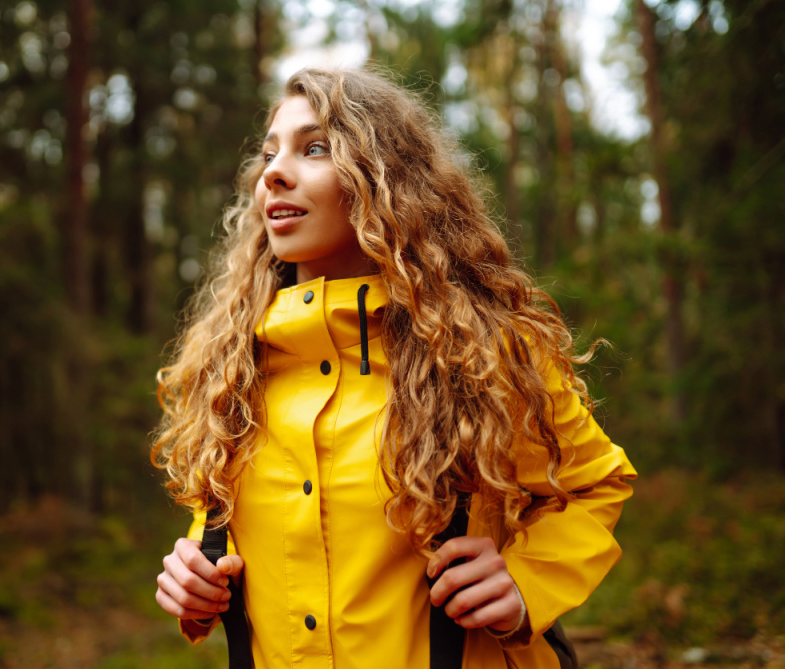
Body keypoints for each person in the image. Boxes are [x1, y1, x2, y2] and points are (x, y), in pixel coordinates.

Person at [151, 67, 636, 668]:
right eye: (269, 153)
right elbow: (227, 531)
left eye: (316, 149)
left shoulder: (482, 350)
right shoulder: (235, 372)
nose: (273, 173)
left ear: (385, 178)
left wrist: (524, 583)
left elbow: (595, 483)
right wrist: (198, 582)